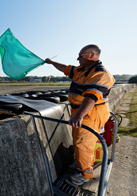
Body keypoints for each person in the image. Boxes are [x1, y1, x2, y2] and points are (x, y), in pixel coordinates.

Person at [45, 44, 115, 185]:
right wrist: (51, 63)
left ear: (91, 55)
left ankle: (84, 173)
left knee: (83, 142)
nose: (77, 59)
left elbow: (91, 97)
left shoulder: (101, 73)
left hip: (90, 113)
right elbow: (65, 68)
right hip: (82, 111)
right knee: (82, 141)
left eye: (80, 56)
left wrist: (79, 116)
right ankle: (81, 164)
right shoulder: (82, 70)